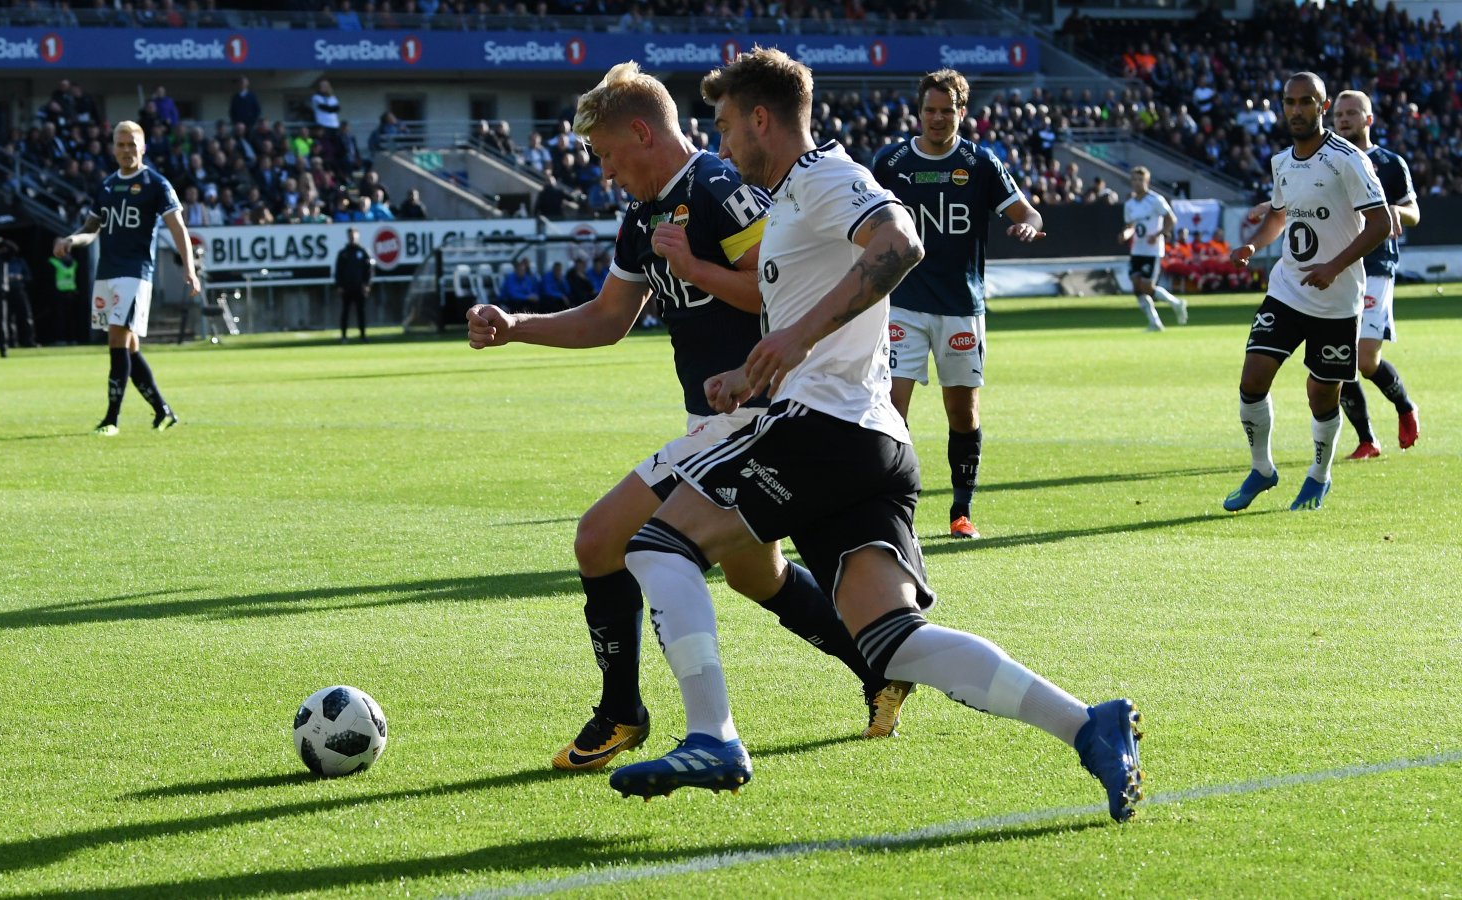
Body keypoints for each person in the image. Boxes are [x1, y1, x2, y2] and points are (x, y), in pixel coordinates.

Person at [602, 47, 1144, 826]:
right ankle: (1088, 724)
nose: (720, 143)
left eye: (723, 126)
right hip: (866, 440)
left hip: (823, 429)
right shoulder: (790, 199)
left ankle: (712, 737)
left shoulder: (824, 175)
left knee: (656, 545)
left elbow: (900, 244)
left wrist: (791, 344)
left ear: (762, 119)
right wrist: (752, 372)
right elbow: (820, 325)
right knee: (893, 642)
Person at [467, 60, 913, 775]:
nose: (606, 172)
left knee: (600, 539)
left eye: (608, 154)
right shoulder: (644, 215)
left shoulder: (719, 188)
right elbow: (609, 319)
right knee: (756, 577)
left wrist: (697, 270)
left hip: (762, 415)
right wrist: (516, 326)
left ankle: (625, 714)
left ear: (642, 133)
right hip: (720, 419)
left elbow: (773, 291)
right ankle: (880, 667)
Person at [870, 68, 1044, 541]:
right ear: (918, 111)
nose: (937, 118)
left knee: (962, 413)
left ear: (962, 113)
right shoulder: (890, 162)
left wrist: (1027, 225)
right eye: (930, 110)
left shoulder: (980, 162)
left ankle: (961, 510)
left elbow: (1027, 211)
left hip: (962, 307)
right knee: (891, 408)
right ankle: (892, 507)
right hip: (902, 302)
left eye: (947, 111)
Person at [1224, 73, 1391, 513]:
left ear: (1323, 106)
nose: (1296, 110)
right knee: (1252, 379)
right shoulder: (1282, 161)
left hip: (1337, 300)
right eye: (1289, 102)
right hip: (1287, 289)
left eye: (1306, 101)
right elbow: (1279, 216)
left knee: (1321, 394)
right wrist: (1253, 246)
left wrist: (1334, 267)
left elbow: (1382, 224)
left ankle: (1319, 475)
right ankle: (1262, 468)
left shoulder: (1349, 160)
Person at [53, 120, 198, 436]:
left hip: (136, 273)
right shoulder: (106, 186)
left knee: (116, 338)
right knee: (129, 347)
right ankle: (163, 411)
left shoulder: (156, 184)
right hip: (107, 272)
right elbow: (91, 229)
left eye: (132, 144)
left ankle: (111, 420)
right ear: (113, 148)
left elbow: (177, 227)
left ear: (143, 147)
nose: (126, 150)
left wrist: (189, 267)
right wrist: (71, 240)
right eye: (121, 144)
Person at [1329, 90, 1421, 458]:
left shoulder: (1390, 163)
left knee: (1365, 360)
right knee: (1338, 360)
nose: (1343, 119)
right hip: (1336, 267)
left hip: (1376, 265)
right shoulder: (1327, 162)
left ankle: (1405, 407)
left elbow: (1414, 212)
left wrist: (1398, 212)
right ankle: (1367, 440)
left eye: (1352, 113)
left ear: (1368, 119)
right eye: (1338, 114)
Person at [1119, 166, 1188, 331]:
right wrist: (1125, 235)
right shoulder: (1129, 204)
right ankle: (1154, 322)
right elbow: (1130, 226)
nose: (1137, 183)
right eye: (1134, 180)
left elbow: (1171, 219)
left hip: (1152, 250)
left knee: (1146, 287)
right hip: (1137, 249)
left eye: (1140, 180)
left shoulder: (1155, 200)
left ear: (1147, 181)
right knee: (1136, 288)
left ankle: (1176, 303)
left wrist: (1158, 234)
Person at [333, 227, 373, 343]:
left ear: (358, 236)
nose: (352, 238)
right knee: (345, 312)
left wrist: (367, 284)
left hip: (359, 287)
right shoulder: (343, 253)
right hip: (346, 287)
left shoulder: (363, 252)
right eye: (350, 236)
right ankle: (344, 336)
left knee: (361, 312)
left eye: (354, 236)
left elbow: (369, 270)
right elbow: (338, 271)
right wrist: (339, 285)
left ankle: (363, 335)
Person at [0, 239, 38, 347]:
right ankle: (11, 342)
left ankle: (29, 341)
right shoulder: (0, 262)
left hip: (19, 291)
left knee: (26, 316)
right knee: (8, 319)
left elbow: (28, 277)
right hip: (5, 292)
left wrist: (19, 277)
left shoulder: (19, 261)